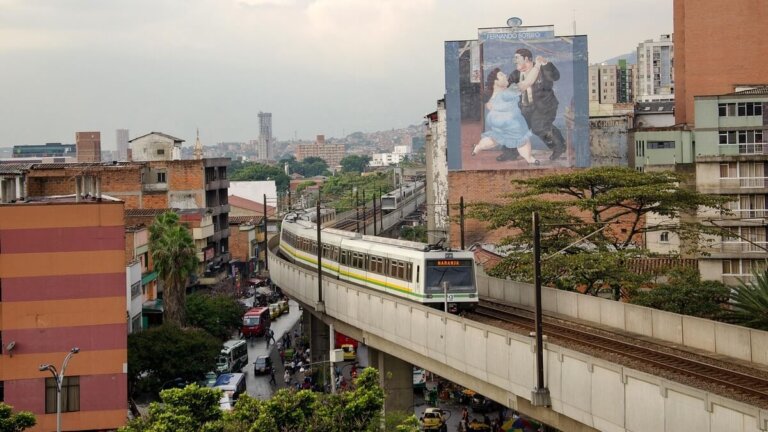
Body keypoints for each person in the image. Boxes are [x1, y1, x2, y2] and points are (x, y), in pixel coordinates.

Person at [472, 66, 542, 164]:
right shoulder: (507, 93)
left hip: (494, 119)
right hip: (509, 120)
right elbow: (528, 82)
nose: (505, 75)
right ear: (496, 82)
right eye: (501, 75)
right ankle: (529, 158)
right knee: (522, 139)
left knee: (495, 137)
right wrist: (537, 66)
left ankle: (478, 147)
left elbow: (490, 106)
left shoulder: (492, 94)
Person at [510, 48, 567, 161]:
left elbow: (555, 77)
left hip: (544, 105)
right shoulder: (516, 73)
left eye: (517, 58)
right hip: (525, 107)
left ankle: (559, 146)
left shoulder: (542, 68)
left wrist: (546, 63)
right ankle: (510, 153)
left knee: (539, 127)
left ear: (526, 58)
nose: (515, 60)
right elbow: (507, 86)